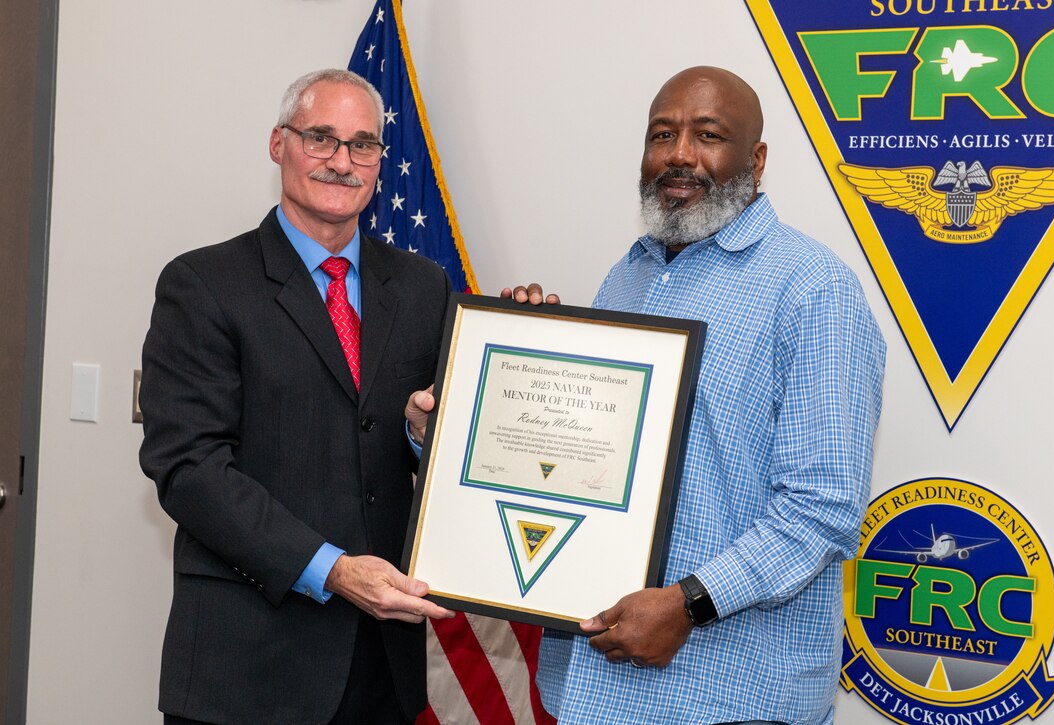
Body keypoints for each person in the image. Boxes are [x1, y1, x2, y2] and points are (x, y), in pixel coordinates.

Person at [501, 66, 886, 724]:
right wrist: (514, 374)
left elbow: (822, 508)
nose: (679, 154)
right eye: (662, 135)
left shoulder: (813, 289)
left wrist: (690, 602)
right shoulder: (628, 277)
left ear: (756, 161)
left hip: (726, 697)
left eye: (708, 135)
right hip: (592, 687)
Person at [139, 69, 453, 725]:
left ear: (380, 161)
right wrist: (332, 569)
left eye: (362, 144)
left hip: (382, 670)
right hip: (246, 669)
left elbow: (425, 445)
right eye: (321, 138)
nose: (342, 161)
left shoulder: (424, 287)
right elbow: (190, 468)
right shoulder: (203, 284)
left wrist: (424, 432)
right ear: (278, 143)